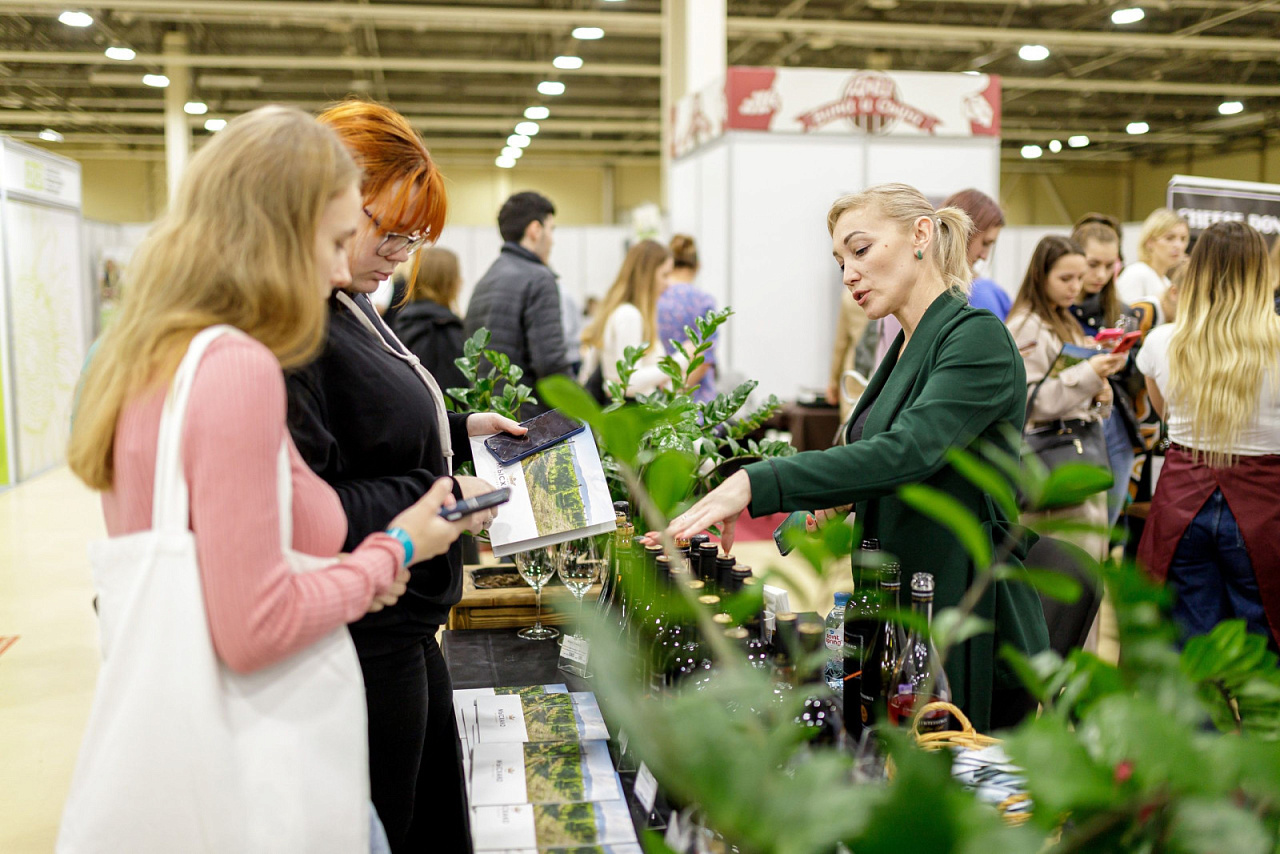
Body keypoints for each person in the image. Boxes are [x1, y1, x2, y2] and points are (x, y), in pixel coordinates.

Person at [64, 106, 481, 850]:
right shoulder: (236, 366)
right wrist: (394, 550)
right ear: (278, 229)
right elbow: (256, 623)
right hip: (266, 721)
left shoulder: (150, 350)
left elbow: (292, 516)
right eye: (337, 240)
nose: (342, 273)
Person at [663, 183, 1049, 732]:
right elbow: (882, 455)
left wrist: (756, 482)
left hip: (959, 613)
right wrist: (839, 498)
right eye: (841, 261)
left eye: (861, 250)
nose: (848, 274)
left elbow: (908, 451)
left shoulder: (977, 339)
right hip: (898, 602)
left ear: (920, 235)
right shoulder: (907, 345)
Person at [285, 100, 525, 854]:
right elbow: (307, 501)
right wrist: (437, 499)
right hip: (366, 629)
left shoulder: (352, 302)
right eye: (390, 232)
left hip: (406, 619)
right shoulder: (295, 320)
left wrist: (459, 430)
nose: (400, 253)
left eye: (414, 238)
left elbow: (374, 433)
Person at [1137, 220, 1280, 650]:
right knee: (1263, 651)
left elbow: (1163, 413)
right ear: (1261, 273)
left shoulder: (1162, 341)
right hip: (1265, 508)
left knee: (1188, 652)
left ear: (1197, 270)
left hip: (1181, 504)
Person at [1006, 236, 1127, 562]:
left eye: (1079, 277)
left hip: (1081, 453)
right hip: (1052, 460)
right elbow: (1030, 401)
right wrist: (1089, 374)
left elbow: (1083, 399)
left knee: (1086, 566)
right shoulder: (1027, 326)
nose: (1075, 286)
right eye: (1065, 278)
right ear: (1040, 276)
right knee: (1063, 570)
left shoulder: (1066, 321)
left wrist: (1101, 391)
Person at [870, 187, 1009, 371]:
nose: (984, 255)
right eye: (985, 243)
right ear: (966, 232)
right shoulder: (927, 290)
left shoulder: (911, 284)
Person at [465, 190, 570, 415]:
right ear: (535, 230)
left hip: (488, 417)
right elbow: (550, 364)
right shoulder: (539, 278)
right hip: (527, 418)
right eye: (551, 229)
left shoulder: (485, 280)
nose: (552, 240)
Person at [1069, 214, 1142, 527]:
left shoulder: (1122, 312)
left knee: (1105, 526)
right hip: (1066, 427)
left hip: (1114, 427)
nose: (1101, 274)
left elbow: (1139, 372)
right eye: (1093, 264)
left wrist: (1124, 362)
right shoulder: (1055, 309)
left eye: (1109, 265)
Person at [580, 239, 686, 398]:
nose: (668, 283)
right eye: (664, 275)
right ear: (647, 276)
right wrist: (679, 361)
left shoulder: (623, 312)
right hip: (629, 409)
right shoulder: (629, 315)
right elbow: (628, 381)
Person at [390, 246, 468, 395]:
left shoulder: (405, 322)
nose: (461, 281)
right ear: (448, 282)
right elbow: (452, 393)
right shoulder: (444, 329)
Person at [658, 234, 718, 404]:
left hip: (654, 395)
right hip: (696, 401)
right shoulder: (704, 301)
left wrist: (663, 397)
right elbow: (704, 360)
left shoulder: (654, 298)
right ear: (697, 266)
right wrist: (676, 392)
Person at [943, 188, 1010, 320]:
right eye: (985, 243)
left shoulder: (986, 291)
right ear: (964, 234)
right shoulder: (981, 292)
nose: (984, 256)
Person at [1116, 208, 1189, 305]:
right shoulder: (1136, 273)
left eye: (1183, 239)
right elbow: (1126, 313)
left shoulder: (1166, 282)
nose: (1178, 245)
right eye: (1169, 238)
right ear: (1150, 242)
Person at [826, 288, 869, 422]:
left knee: (851, 425)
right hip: (887, 369)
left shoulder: (850, 295)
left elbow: (841, 344)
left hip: (855, 375)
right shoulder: (891, 293)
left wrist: (833, 382)